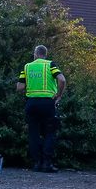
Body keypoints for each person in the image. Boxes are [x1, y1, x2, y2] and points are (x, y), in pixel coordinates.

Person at [17, 45, 65, 173]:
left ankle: (37, 163)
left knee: (33, 133)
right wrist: (59, 95)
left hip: (31, 103)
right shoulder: (50, 65)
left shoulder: (27, 67)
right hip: (48, 103)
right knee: (50, 132)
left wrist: (32, 86)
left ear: (35, 54)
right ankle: (47, 164)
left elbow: (19, 87)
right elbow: (62, 80)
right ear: (45, 54)